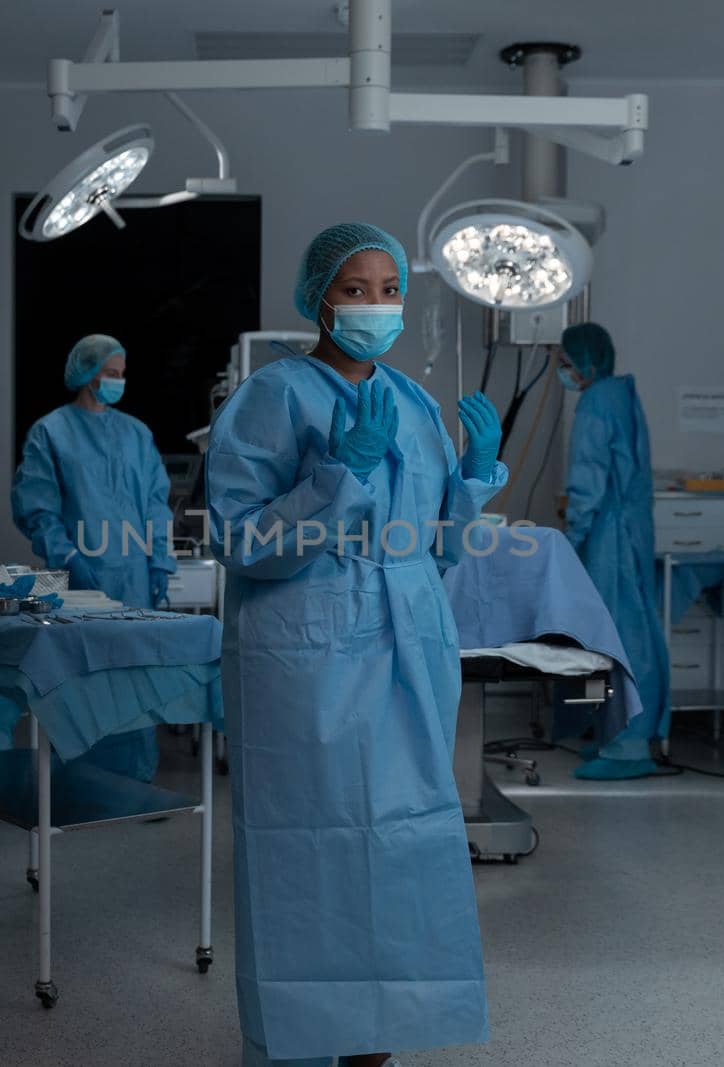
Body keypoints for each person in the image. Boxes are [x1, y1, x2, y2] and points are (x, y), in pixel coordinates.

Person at [206, 222, 504, 1067]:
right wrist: (338, 475)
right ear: (317, 298)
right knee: (314, 841)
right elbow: (243, 539)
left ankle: (380, 1037)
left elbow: (435, 543)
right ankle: (306, 1038)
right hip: (308, 651)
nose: (376, 305)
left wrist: (474, 475)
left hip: (408, 644)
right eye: (355, 288)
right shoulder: (272, 397)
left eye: (390, 289)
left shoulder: (411, 402)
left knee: (405, 839)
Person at [11, 333, 176, 780]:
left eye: (122, 375)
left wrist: (160, 559)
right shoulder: (52, 432)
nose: (118, 382)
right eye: (110, 374)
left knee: (135, 674)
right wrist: (67, 557)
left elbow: (155, 505)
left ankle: (136, 778)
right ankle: (83, 781)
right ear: (86, 374)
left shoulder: (136, 434)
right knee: (84, 676)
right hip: (79, 578)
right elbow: (39, 507)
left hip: (135, 576)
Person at [557, 322, 669, 780]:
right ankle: (617, 735)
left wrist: (573, 536)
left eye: (566, 364)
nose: (563, 373)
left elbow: (589, 479)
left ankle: (629, 744)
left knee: (617, 640)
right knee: (631, 633)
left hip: (609, 537)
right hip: (629, 531)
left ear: (585, 363)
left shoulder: (596, 403)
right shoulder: (622, 394)